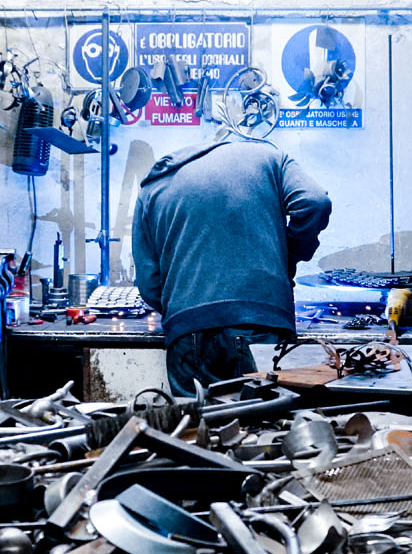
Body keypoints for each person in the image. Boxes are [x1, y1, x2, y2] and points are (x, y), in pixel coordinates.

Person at [132, 129, 331, 393]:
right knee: (270, 416)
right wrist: (289, 257)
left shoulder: (153, 187)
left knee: (195, 420)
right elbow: (315, 202)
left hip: (188, 333)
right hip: (261, 324)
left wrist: (189, 309)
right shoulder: (271, 158)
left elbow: (149, 284)